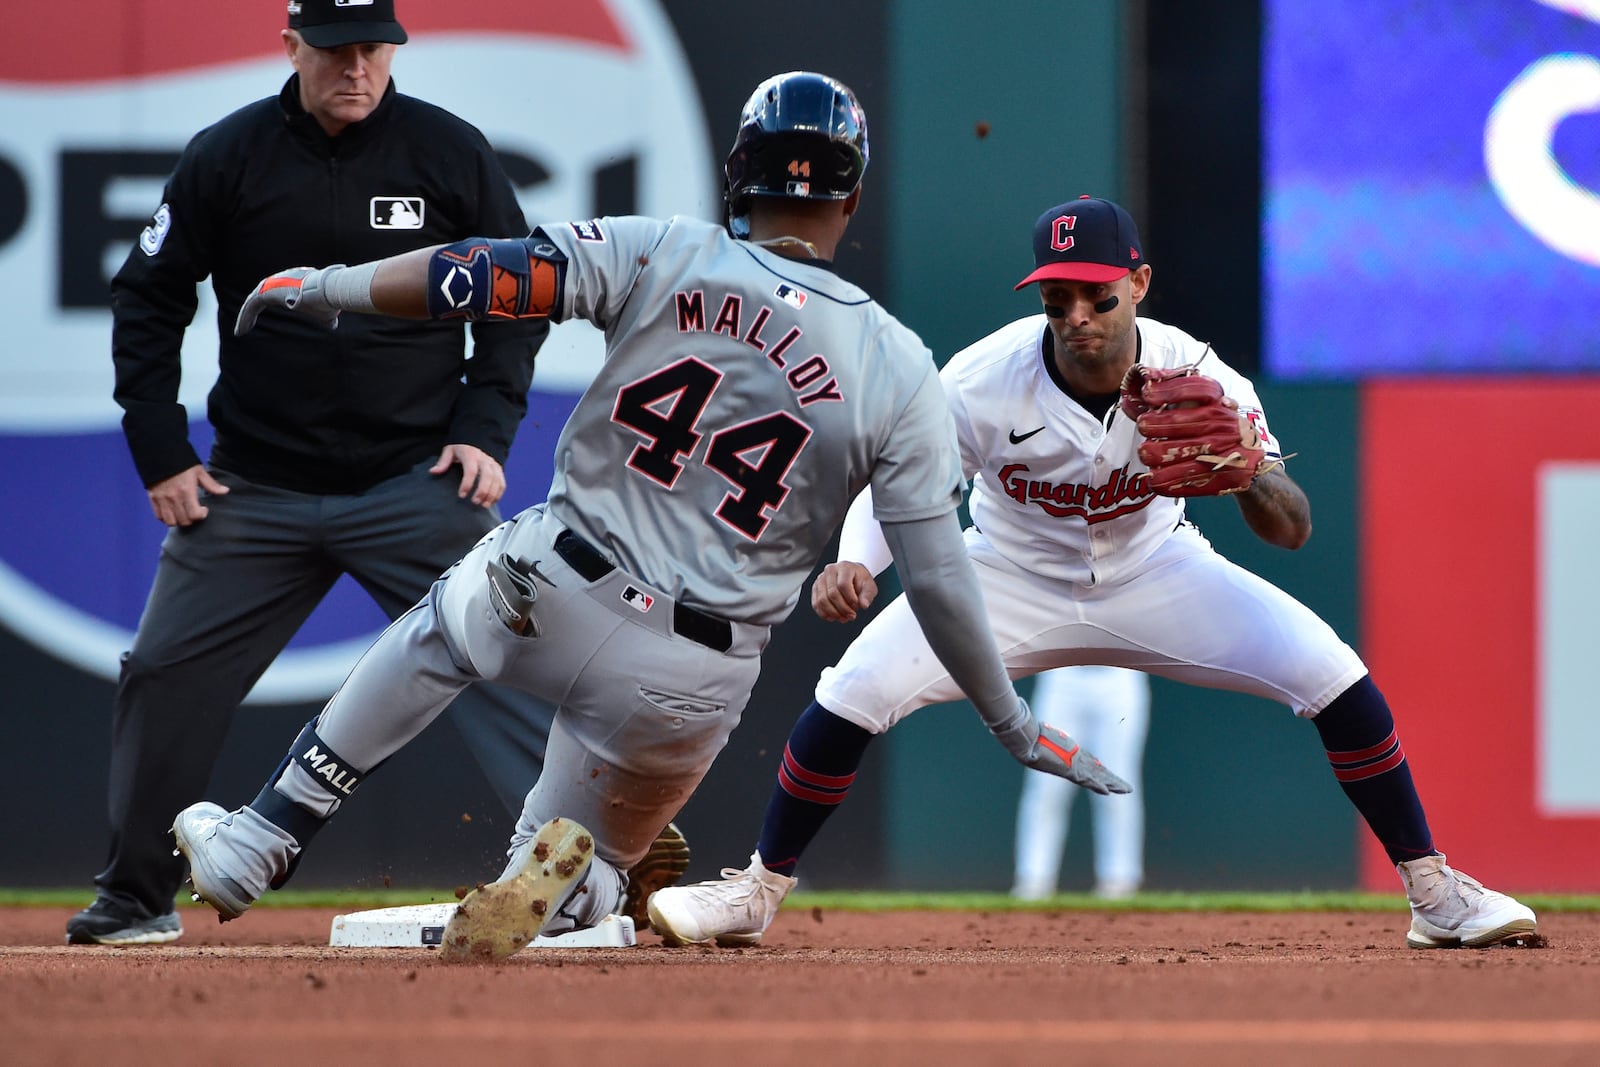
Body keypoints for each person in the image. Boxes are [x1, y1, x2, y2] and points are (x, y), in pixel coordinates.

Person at [168, 71, 1131, 963]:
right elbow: (939, 578)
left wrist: (332, 286)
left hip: (550, 587)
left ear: (739, 172)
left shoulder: (666, 249)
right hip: (693, 676)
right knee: (585, 867)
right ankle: (577, 892)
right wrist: (1008, 719)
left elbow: (479, 274)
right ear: (851, 195)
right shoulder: (900, 365)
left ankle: (262, 838)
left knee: (439, 630)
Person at [646, 196, 1538, 952]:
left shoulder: (1196, 373)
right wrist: (852, 560)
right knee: (851, 693)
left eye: (1098, 297)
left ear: (1139, 285)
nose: (1078, 316)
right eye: (1059, 297)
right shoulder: (983, 379)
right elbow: (899, 488)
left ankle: (1433, 895)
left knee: (1335, 674)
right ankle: (756, 894)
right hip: (1007, 577)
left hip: (1158, 570)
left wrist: (1249, 473)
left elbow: (1293, 529)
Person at [65, 0, 570, 946]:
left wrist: (485, 429)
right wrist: (160, 451)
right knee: (166, 670)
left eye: (375, 47)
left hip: (414, 480)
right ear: (292, 45)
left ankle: (585, 867)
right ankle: (135, 896)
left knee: (516, 649)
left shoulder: (448, 152)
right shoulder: (229, 155)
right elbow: (149, 296)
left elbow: (519, 296)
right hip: (255, 486)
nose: (357, 68)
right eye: (336, 49)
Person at [1012, 665, 1150, 901]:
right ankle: (1033, 880)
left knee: (1118, 786)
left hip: (1119, 676)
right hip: (1063, 676)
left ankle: (1119, 880)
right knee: (1046, 787)